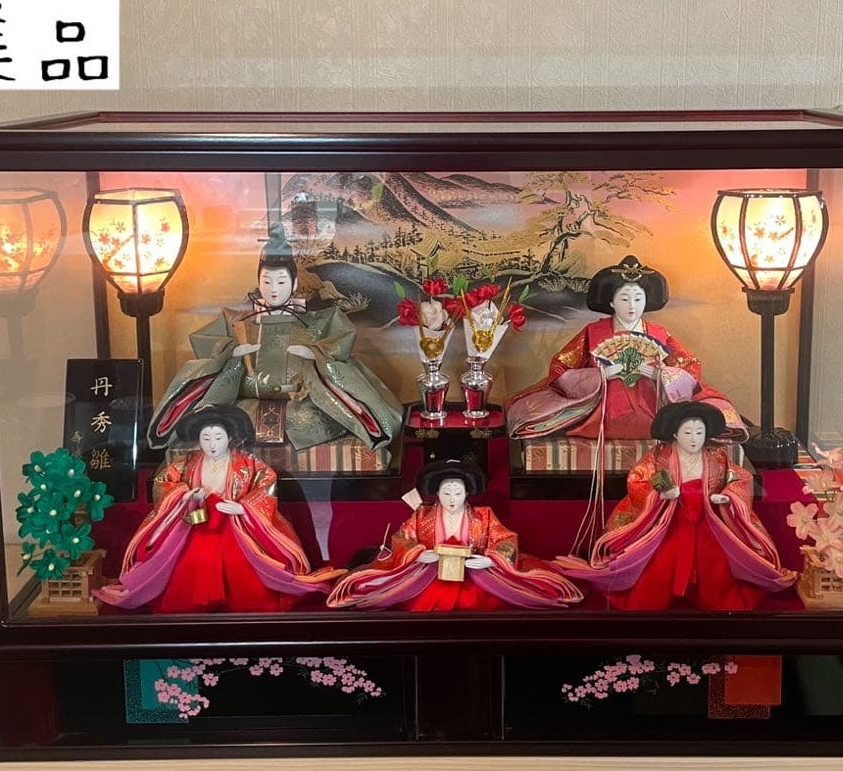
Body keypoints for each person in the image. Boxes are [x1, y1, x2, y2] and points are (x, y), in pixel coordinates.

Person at [148, 222, 402, 454]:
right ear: (258, 281)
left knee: (309, 420)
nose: (273, 289)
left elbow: (341, 342)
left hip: (300, 404)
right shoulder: (236, 321)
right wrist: (230, 353)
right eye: (266, 281)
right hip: (247, 403)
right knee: (230, 421)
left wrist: (315, 353)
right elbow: (206, 345)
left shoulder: (320, 320)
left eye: (281, 282)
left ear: (294, 284)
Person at [94, 405, 343, 613]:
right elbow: (164, 483)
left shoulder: (248, 464)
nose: (212, 444)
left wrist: (243, 508)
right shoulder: (186, 464)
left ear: (229, 438)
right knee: (186, 570)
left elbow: (266, 483)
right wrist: (184, 495)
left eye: (218, 438)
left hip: (235, 528)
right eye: (206, 438)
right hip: (196, 524)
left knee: (242, 574)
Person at [555, 402, 795, 610]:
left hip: (708, 523)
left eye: (699, 432)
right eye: (688, 432)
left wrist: (728, 497)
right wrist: (661, 494)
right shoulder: (658, 456)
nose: (694, 438)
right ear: (675, 434)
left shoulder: (716, 456)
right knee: (658, 571)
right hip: (669, 523)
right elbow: (638, 480)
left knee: (716, 573)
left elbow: (740, 478)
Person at [506, 255, 746, 442]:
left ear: (647, 301)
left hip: (653, 405)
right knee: (528, 412)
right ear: (611, 302)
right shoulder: (593, 332)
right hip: (601, 407)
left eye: (638, 299)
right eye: (624, 299)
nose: (632, 306)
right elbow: (561, 368)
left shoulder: (659, 334)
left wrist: (660, 374)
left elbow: (690, 368)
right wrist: (600, 375)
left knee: (717, 413)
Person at [327, 460, 583, 611]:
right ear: (437, 494)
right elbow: (402, 538)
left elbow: (505, 539)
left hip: (474, 577)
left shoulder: (483, 515)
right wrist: (418, 554)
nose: (452, 499)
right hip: (429, 576)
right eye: (446, 493)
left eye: (458, 493)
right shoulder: (422, 515)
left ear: (467, 493)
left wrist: (490, 559)